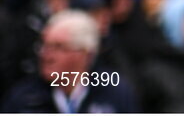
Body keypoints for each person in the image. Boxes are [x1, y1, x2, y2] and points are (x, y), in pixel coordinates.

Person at [0, 9, 137, 113]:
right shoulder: (24, 98)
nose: (46, 55)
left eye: (58, 47)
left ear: (85, 54)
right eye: (44, 46)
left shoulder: (115, 94)